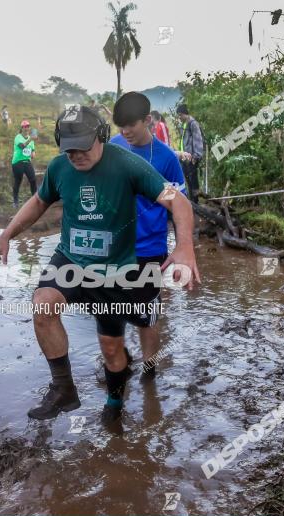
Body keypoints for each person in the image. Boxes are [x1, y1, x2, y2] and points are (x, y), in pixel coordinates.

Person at [0, 105, 200, 426]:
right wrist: (6, 235)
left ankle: (114, 401)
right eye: (68, 148)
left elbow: (177, 201)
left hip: (115, 270)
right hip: (71, 258)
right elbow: (38, 202)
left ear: (100, 136)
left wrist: (184, 245)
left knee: (111, 349)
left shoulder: (129, 164)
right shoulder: (60, 167)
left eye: (83, 146)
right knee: (43, 305)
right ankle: (63, 389)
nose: (76, 155)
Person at [110, 92, 187, 379]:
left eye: (131, 125)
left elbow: (179, 201)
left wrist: (155, 189)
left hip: (149, 248)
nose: (125, 132)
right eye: (121, 126)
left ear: (148, 120)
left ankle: (150, 367)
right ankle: (120, 358)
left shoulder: (166, 157)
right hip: (113, 248)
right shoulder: (113, 147)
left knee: (146, 315)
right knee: (110, 309)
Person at [175, 104, 204, 202]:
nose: (179, 117)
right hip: (184, 158)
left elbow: (198, 140)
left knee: (193, 181)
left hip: (192, 158)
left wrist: (196, 156)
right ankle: (192, 202)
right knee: (188, 182)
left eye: (180, 115)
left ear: (185, 114)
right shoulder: (184, 124)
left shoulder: (193, 124)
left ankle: (196, 203)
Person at [11, 120, 37, 208]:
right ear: (21, 128)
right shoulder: (18, 137)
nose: (26, 128)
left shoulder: (31, 139)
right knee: (18, 181)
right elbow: (22, 146)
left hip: (27, 162)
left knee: (33, 180)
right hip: (17, 162)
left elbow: (33, 151)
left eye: (28, 126)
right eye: (25, 126)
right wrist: (31, 139)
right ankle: (15, 201)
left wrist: (33, 154)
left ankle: (35, 200)